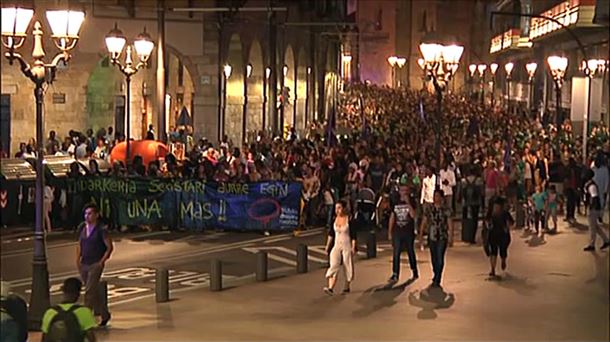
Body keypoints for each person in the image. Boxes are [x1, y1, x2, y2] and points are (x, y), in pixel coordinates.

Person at [76, 203, 113, 326]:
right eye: (86, 213)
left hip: (95, 264)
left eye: (90, 213)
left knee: (89, 292)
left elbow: (109, 247)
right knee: (93, 291)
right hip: (84, 264)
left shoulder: (101, 230)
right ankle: (104, 313)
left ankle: (85, 319)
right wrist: (78, 260)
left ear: (96, 215)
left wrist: (101, 262)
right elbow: (79, 245)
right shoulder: (82, 228)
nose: (87, 216)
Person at [41, 277, 97, 342]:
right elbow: (91, 337)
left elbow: (44, 338)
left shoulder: (50, 312)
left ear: (63, 291)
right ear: (78, 293)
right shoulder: (84, 311)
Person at [418, 189, 453, 288]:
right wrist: (421, 235)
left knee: (440, 257)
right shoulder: (429, 208)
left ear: (441, 198)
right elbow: (424, 221)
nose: (436, 198)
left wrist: (451, 237)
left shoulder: (446, 209)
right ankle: (435, 273)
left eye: (438, 196)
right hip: (432, 236)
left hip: (442, 236)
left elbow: (450, 223)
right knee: (434, 258)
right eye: (435, 196)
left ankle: (438, 277)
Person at [323, 200, 357, 295]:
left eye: (339, 208)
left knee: (347, 265)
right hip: (336, 245)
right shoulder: (334, 218)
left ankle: (347, 286)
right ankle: (330, 287)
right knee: (334, 264)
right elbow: (331, 234)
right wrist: (327, 246)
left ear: (344, 208)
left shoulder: (349, 219)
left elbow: (353, 234)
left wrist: (353, 246)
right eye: (336, 208)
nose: (337, 210)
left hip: (346, 244)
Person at [388, 185, 419, 283]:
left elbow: (413, 215)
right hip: (397, 231)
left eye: (406, 190)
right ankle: (395, 274)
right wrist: (390, 231)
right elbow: (392, 217)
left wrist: (408, 203)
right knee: (396, 252)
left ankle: (414, 270)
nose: (404, 192)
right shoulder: (395, 202)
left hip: (408, 231)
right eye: (402, 190)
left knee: (410, 251)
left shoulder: (412, 201)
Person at [484, 197, 514, 278]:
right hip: (493, 234)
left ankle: (503, 260)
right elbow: (486, 221)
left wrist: (507, 226)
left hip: (503, 236)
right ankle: (492, 269)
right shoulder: (490, 213)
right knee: (493, 252)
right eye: (495, 207)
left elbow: (511, 222)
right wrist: (488, 225)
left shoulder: (505, 214)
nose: (496, 208)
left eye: (497, 207)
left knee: (503, 251)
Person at [582, 169, 610, 251]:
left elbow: (594, 197)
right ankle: (606, 240)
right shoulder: (589, 184)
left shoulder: (591, 185)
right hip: (594, 208)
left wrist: (591, 208)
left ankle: (592, 244)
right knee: (595, 226)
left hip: (593, 208)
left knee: (592, 227)